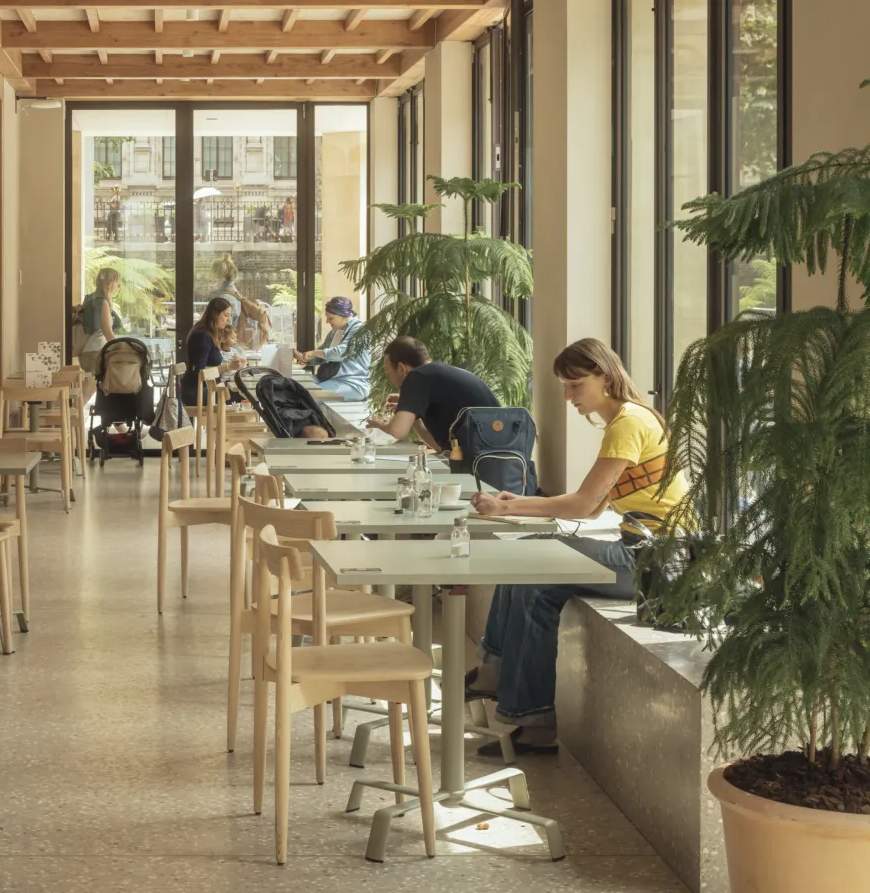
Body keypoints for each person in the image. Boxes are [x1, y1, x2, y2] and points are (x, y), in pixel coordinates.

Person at [465, 338, 687, 755]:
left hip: (655, 558)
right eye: (564, 387)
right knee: (526, 562)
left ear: (605, 376)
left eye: (576, 385)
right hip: (643, 548)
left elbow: (584, 505)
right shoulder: (627, 420)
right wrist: (514, 504)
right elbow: (594, 505)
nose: (568, 396)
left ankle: (518, 703)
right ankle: (507, 689)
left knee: (532, 564)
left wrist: (505, 506)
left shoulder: (628, 424)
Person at [367, 336, 497, 455]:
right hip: (497, 456)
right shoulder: (435, 374)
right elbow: (442, 449)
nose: (389, 380)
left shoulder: (417, 377)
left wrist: (377, 427)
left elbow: (395, 432)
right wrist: (412, 415)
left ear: (401, 368)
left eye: (388, 373)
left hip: (480, 462)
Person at [294, 296, 371, 401]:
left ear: (343, 315)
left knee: (308, 398)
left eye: (331, 318)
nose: (327, 321)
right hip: (330, 379)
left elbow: (342, 353)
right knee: (293, 387)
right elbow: (322, 356)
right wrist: (304, 357)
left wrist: (313, 353)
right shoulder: (335, 331)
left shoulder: (359, 331)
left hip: (352, 383)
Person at [179, 297, 240, 410]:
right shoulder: (202, 336)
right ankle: (226, 427)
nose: (228, 319)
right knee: (240, 394)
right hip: (197, 391)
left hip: (204, 387)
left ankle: (228, 427)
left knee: (238, 391)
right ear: (215, 314)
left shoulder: (209, 334)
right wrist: (228, 367)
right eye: (226, 315)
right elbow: (200, 372)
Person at [207, 254, 272, 345]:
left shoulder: (225, 299)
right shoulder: (235, 293)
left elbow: (224, 328)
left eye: (214, 278)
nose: (212, 281)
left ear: (221, 278)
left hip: (228, 348)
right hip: (236, 345)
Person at [78, 268, 122, 373]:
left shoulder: (90, 299)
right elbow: (108, 333)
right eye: (117, 282)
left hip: (87, 351)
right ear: (109, 283)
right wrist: (122, 348)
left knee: (90, 387)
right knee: (92, 387)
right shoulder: (102, 302)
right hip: (96, 351)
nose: (119, 286)